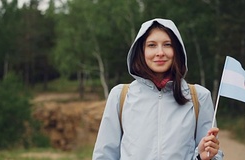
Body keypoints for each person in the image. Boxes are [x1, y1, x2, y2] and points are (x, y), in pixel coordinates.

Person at [92, 18, 224, 160]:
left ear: (177, 50)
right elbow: (104, 155)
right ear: (141, 51)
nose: (160, 52)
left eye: (167, 45)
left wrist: (204, 158)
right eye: (152, 45)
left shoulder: (199, 97)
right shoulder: (121, 95)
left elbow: (212, 155)